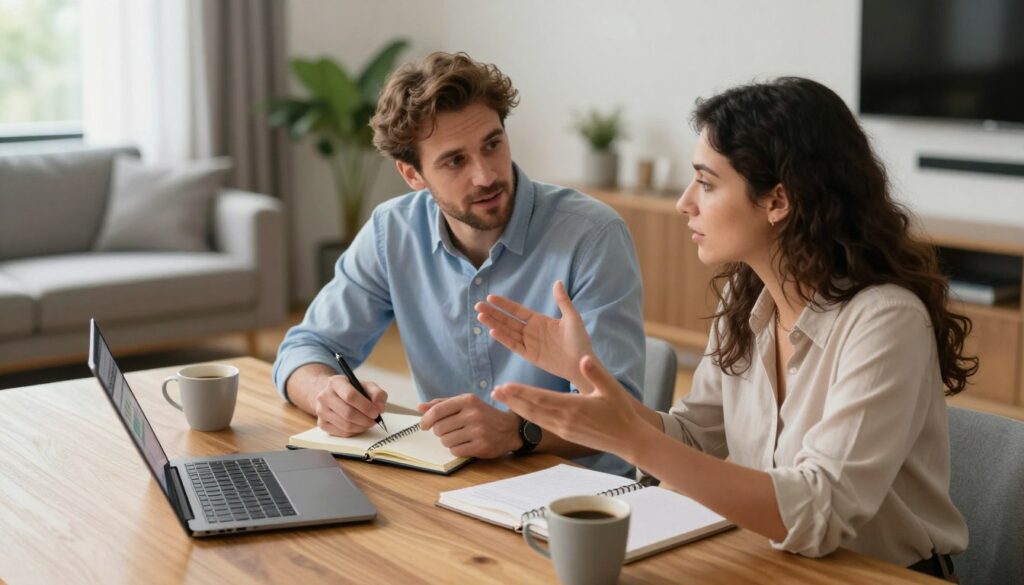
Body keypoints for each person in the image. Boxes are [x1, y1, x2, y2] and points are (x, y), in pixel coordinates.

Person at [480, 77, 973, 579]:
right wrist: (586, 378)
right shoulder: (748, 302)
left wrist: (631, 439)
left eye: (707, 183)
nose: (684, 202)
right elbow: (694, 439)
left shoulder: (885, 321)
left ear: (778, 201)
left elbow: (819, 510)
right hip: (776, 563)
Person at [272, 51, 645, 476]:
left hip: (579, 498)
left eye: (492, 144)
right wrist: (325, 391)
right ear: (413, 175)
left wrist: (519, 432)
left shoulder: (591, 236)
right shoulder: (391, 232)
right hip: (455, 483)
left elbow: (624, 417)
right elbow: (304, 348)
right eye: (455, 160)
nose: (485, 175)